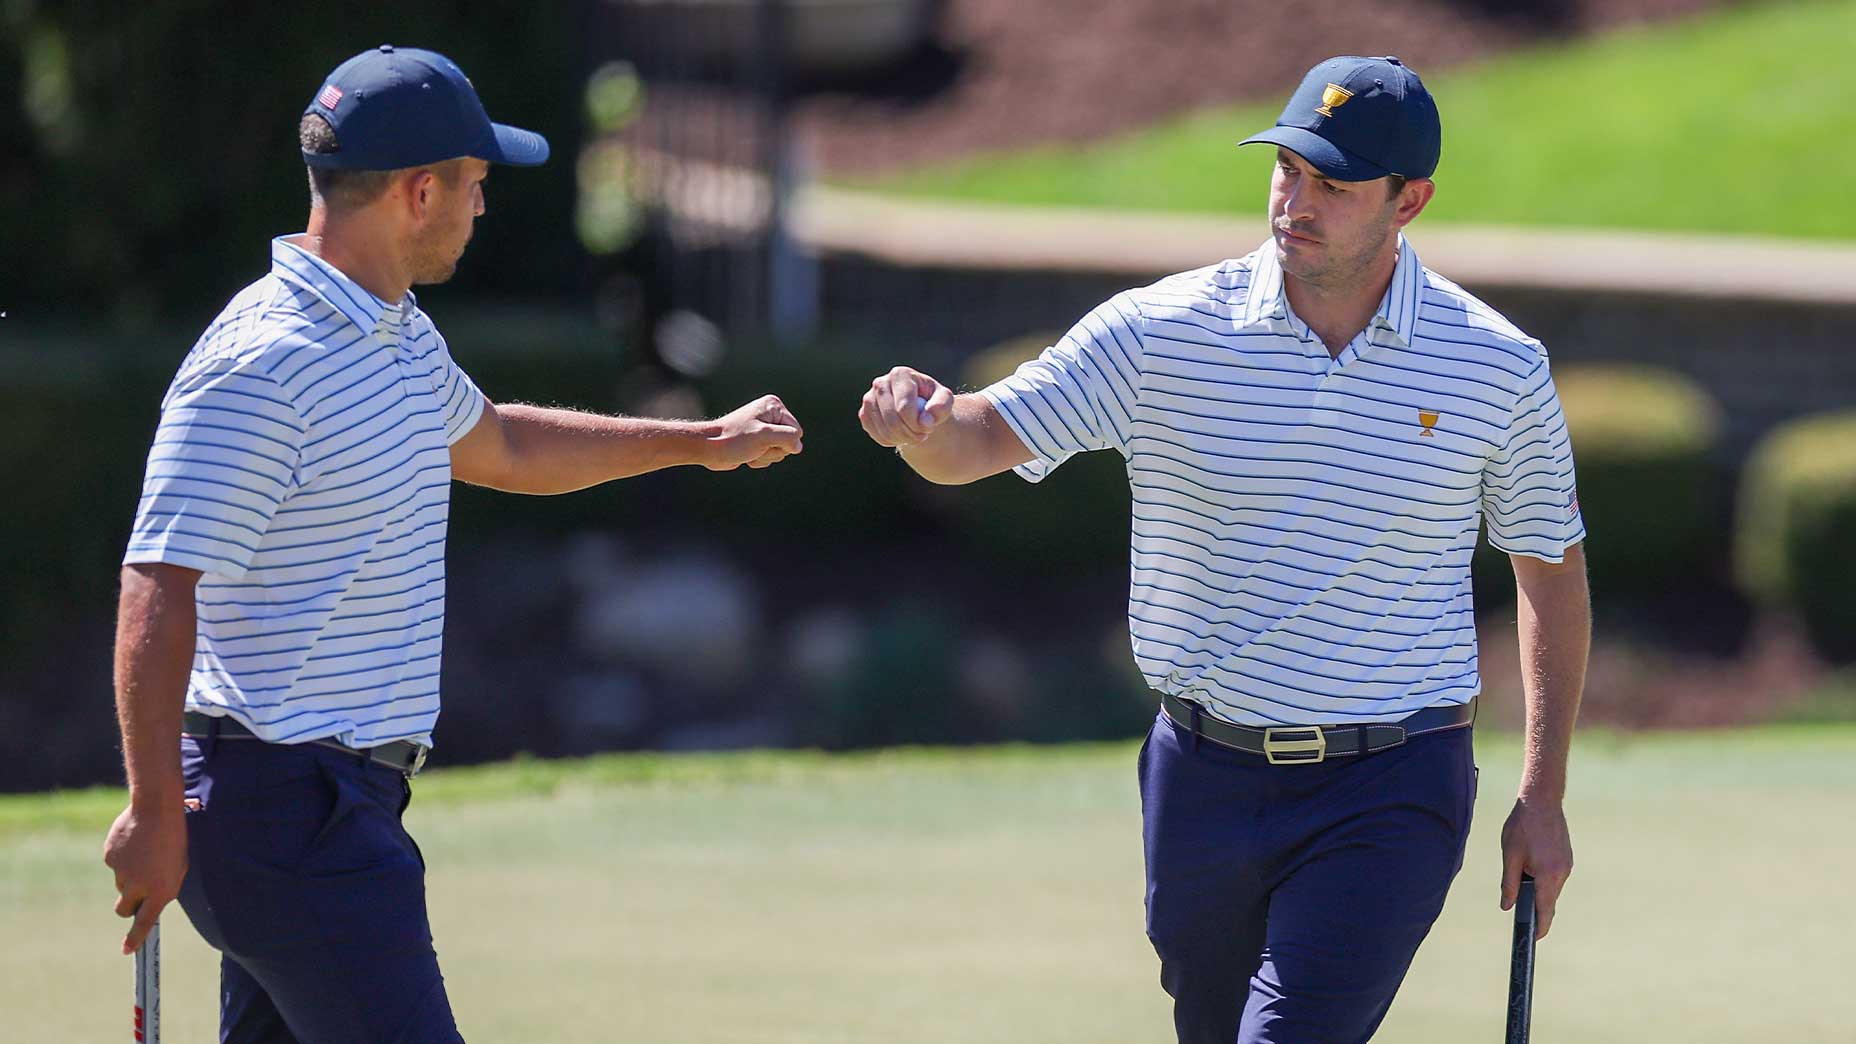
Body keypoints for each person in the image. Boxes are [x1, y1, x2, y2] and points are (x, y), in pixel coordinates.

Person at [858, 55, 1588, 1043]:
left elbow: (1548, 568)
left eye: (1332, 183)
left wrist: (1539, 794)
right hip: (1199, 777)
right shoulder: (1161, 331)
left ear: (1407, 199)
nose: (1295, 200)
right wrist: (921, 427)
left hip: (1389, 782)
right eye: (1286, 168)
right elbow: (981, 438)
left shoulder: (1492, 367)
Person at [101, 45, 803, 1043]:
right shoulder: (262, 362)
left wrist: (700, 443)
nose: (483, 207)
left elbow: (505, 444)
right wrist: (152, 809)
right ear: (419, 191)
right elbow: (156, 582)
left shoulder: (391, 332)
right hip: (285, 812)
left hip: (332, 803)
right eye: (475, 185)